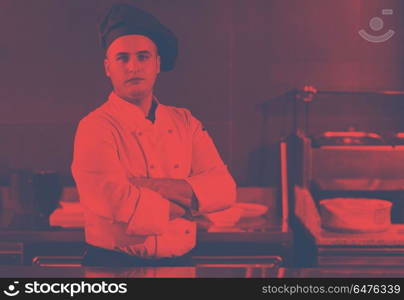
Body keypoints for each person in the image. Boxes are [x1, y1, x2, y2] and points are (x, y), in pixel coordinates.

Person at [71, 3, 236, 266]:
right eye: (122, 58)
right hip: (114, 265)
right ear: (107, 67)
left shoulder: (185, 121)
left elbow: (224, 188)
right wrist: (192, 204)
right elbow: (115, 201)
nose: (133, 67)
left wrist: (148, 186)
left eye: (143, 57)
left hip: (182, 263)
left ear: (157, 64)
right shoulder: (95, 126)